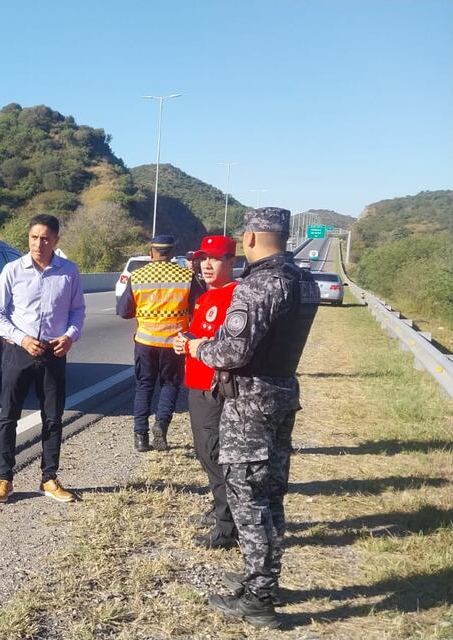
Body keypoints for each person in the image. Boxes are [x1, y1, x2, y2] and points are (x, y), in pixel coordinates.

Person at [178, 207, 320, 629]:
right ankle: (264, 580)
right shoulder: (304, 281)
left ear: (253, 238)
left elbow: (232, 353)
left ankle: (259, 596)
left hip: (249, 403)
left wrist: (195, 347)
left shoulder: (258, 286)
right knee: (271, 494)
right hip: (281, 394)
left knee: (248, 497)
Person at [0, 214, 86, 504]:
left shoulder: (69, 271)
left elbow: (77, 310)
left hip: (54, 353)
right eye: (33, 237)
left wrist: (70, 336)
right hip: (20, 351)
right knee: (9, 417)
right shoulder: (13, 270)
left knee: (53, 418)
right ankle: (4, 478)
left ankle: (49, 479)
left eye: (44, 238)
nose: (38, 243)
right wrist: (21, 338)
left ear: (56, 240)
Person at [172, 235, 239, 550]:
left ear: (231, 261)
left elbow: (227, 347)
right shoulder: (205, 296)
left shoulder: (234, 295)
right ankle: (219, 508)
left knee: (214, 452)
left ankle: (227, 526)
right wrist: (184, 341)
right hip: (197, 385)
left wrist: (192, 345)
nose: (206, 265)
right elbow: (201, 338)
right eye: (202, 258)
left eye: (214, 258)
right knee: (205, 450)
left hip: (214, 387)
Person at [117, 235, 200, 452]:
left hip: (145, 341)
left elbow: (123, 311)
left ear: (151, 252)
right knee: (170, 385)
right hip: (174, 343)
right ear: (172, 253)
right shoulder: (186, 276)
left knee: (144, 386)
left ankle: (140, 437)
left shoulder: (137, 276)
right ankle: (161, 425)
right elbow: (197, 309)